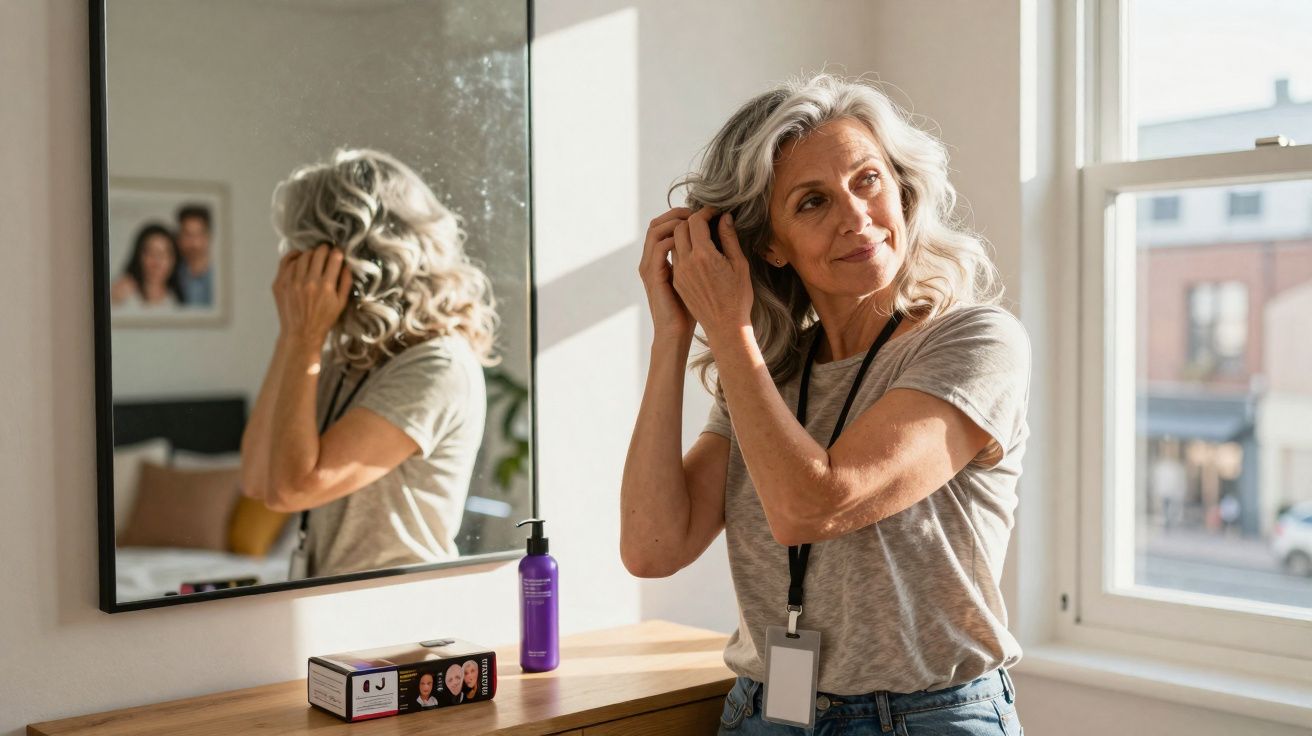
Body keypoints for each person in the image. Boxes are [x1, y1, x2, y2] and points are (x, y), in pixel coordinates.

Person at [621, 74, 1029, 735]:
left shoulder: (974, 339)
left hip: (929, 717)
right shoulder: (768, 374)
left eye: (867, 179)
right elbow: (653, 547)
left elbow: (817, 505)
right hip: (767, 713)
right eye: (812, 202)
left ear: (901, 188)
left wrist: (729, 331)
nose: (856, 216)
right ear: (769, 245)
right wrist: (674, 331)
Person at [240, 148, 498, 578]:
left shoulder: (438, 366)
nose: (292, 270)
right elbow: (255, 480)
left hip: (398, 620)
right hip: (332, 613)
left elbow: (291, 489)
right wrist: (292, 335)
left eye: (304, 251)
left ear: (338, 257)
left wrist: (303, 338)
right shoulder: (344, 359)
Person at [110, 223, 184, 308]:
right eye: (150, 253)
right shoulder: (122, 294)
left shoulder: (178, 298)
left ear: (174, 260)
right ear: (139, 257)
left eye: (163, 254)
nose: (157, 262)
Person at [175, 204, 214, 306]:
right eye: (187, 235)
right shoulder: (171, 275)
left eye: (199, 234)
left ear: (208, 237)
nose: (194, 243)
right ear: (179, 238)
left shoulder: (219, 277)